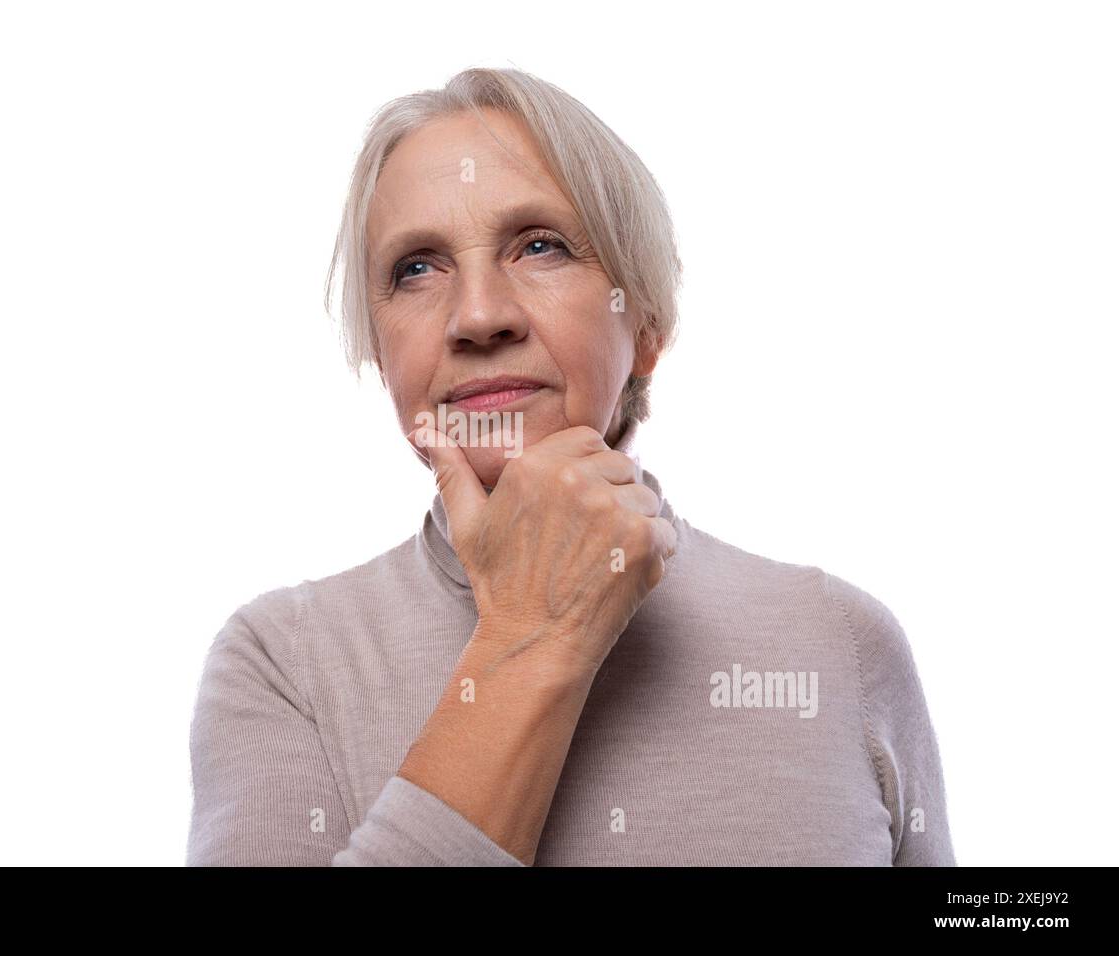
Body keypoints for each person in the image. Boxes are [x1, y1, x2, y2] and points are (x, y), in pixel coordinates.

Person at [185, 67, 955, 866]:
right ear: (382, 355)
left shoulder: (838, 641)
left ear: (646, 325)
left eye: (540, 246)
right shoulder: (282, 663)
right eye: (416, 267)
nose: (478, 315)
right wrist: (535, 633)